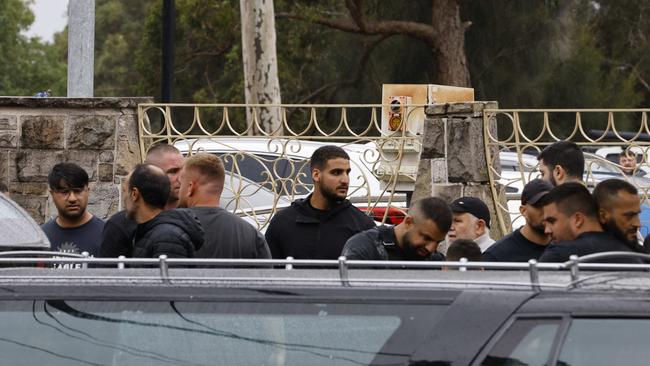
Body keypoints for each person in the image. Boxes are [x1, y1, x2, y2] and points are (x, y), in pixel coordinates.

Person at [265, 145, 375, 259]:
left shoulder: (362, 226)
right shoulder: (283, 222)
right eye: (336, 173)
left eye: (347, 172)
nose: (345, 180)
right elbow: (268, 272)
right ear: (316, 175)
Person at [178, 153, 271, 258]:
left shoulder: (173, 226)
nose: (179, 190)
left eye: (181, 184)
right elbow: (266, 273)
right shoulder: (251, 234)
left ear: (190, 187)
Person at [100, 144, 185, 257]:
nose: (181, 178)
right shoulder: (120, 224)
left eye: (183, 171)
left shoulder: (192, 217)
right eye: (173, 171)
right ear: (152, 174)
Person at [539, 183, 638, 263]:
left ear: (578, 219)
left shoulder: (559, 255)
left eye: (552, 221)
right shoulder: (633, 256)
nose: (547, 230)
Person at [125, 164, 204, 258]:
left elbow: (169, 272)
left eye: (124, 190)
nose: (124, 197)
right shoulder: (149, 232)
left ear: (134, 194)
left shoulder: (167, 238)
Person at [341, 197, 451, 261]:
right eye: (426, 238)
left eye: (437, 242)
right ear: (408, 222)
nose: (431, 248)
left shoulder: (435, 261)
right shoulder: (365, 248)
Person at [41, 163, 104, 256]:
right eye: (64, 192)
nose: (72, 198)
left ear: (88, 191)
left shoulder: (106, 234)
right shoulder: (41, 238)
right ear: (52, 194)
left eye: (78, 191)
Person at [483, 179, 552, 262]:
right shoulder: (497, 256)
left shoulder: (566, 248)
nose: (546, 211)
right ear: (523, 211)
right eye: (539, 205)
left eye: (551, 204)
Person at [593, 179, 644, 252]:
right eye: (629, 216)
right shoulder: (587, 254)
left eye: (637, 214)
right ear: (603, 216)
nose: (638, 224)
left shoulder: (641, 253)